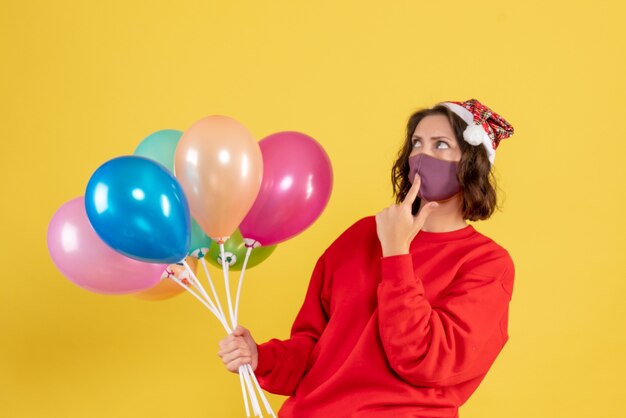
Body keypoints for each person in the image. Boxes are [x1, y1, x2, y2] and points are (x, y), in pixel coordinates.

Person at [218, 99, 515, 418]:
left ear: (471, 162)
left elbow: (427, 361)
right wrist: (261, 358)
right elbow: (315, 345)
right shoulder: (361, 235)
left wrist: (397, 253)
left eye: (441, 144)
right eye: (416, 143)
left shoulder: (486, 264)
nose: (422, 156)